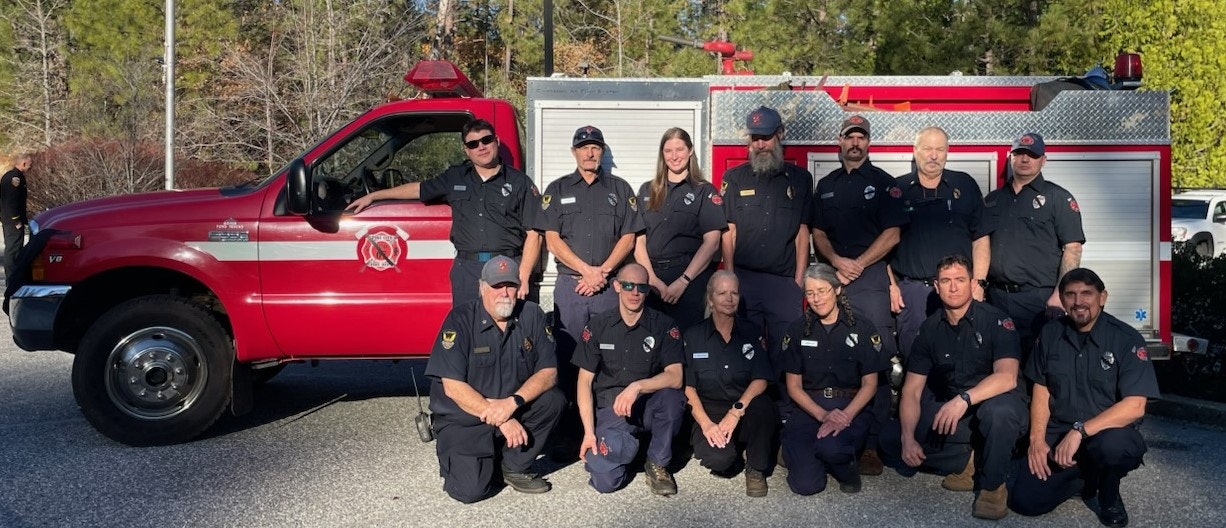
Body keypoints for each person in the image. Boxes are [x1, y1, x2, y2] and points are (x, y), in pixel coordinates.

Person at [879, 254, 1027, 521]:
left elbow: (1007, 377)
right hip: (959, 412)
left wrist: (962, 400)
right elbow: (912, 390)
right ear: (936, 286)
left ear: (972, 283)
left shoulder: (996, 320)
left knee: (998, 412)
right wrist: (908, 437)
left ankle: (992, 486)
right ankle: (972, 458)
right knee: (890, 441)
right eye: (946, 281)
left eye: (960, 280)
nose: (953, 287)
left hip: (997, 404)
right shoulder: (930, 329)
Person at [1010, 268, 1159, 527]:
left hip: (1105, 433)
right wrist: (1036, 440)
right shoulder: (1050, 334)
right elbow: (1041, 388)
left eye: (1087, 294)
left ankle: (1109, 491)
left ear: (1102, 297)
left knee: (1115, 447)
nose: (1078, 301)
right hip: (1060, 430)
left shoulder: (1125, 338)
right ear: (1063, 300)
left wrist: (1080, 431)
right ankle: (1087, 476)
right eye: (1071, 294)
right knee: (1026, 501)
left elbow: (1135, 406)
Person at [347, 119, 542, 306]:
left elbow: (535, 234)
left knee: (508, 328)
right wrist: (374, 196)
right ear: (466, 150)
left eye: (486, 140)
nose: (481, 147)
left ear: (496, 141)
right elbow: (419, 189)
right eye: (473, 144)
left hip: (505, 266)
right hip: (467, 269)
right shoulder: (455, 177)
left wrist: (523, 277)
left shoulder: (519, 182)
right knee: (467, 327)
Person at [423, 256, 566, 503]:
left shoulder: (532, 315)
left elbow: (549, 372)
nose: (505, 293)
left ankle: (512, 466)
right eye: (497, 286)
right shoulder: (460, 320)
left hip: (511, 406)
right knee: (471, 491)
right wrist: (500, 418)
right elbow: (453, 387)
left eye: (510, 285)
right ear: (482, 288)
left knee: (554, 400)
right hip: (467, 417)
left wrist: (512, 404)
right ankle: (477, 457)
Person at [810, 115, 907, 475]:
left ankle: (872, 446)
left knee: (875, 362)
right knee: (833, 356)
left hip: (868, 283)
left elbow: (894, 234)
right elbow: (818, 233)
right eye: (849, 137)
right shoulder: (826, 185)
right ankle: (834, 429)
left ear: (869, 143)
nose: (855, 143)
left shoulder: (885, 184)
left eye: (861, 137)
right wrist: (836, 260)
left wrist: (859, 264)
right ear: (840, 141)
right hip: (833, 279)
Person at [538, 125, 644, 399]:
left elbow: (628, 238)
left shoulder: (620, 190)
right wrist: (587, 272)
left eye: (595, 147)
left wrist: (603, 272)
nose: (590, 153)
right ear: (574, 152)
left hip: (609, 288)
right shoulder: (557, 189)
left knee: (611, 350)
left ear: (602, 151)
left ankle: (607, 413)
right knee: (568, 350)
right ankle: (569, 419)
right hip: (571, 287)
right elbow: (552, 240)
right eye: (584, 147)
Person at [573, 263, 685, 496]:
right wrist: (588, 432)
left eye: (641, 287)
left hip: (648, 405)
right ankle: (625, 452)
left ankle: (657, 463)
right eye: (628, 285)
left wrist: (638, 387)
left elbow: (676, 377)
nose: (635, 292)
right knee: (606, 482)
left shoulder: (663, 325)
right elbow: (584, 382)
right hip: (612, 409)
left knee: (673, 398)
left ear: (647, 290)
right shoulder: (598, 326)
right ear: (616, 286)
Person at [720, 105, 813, 378]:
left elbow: (802, 232)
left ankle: (785, 412)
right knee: (744, 351)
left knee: (786, 353)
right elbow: (729, 231)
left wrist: (798, 281)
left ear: (780, 134)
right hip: (745, 281)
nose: (760, 144)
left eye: (767, 137)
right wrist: (729, 276)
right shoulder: (734, 179)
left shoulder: (800, 180)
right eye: (755, 138)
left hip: (783, 284)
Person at [779, 263, 888, 495]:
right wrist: (823, 415)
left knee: (832, 448)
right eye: (810, 293)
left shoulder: (863, 328)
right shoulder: (797, 330)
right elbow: (793, 386)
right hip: (810, 408)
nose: (816, 299)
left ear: (837, 290)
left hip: (850, 406)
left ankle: (846, 468)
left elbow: (870, 384)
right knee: (806, 486)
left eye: (822, 290)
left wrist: (845, 415)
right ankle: (801, 454)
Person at [889, 127, 990, 359]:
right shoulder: (896, 190)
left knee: (964, 360)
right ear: (915, 152)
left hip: (960, 291)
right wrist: (891, 285)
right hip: (913, 294)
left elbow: (981, 237)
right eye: (927, 149)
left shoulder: (965, 185)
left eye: (940, 149)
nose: (933, 155)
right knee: (915, 361)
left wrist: (979, 283)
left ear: (947, 152)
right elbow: (883, 242)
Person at [983, 132, 1084, 355]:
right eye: (1019, 154)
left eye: (1032, 154)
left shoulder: (1058, 198)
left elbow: (1073, 248)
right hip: (995, 298)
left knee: (1037, 364)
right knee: (998, 361)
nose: (1025, 159)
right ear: (1011, 158)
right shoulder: (993, 200)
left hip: (1037, 301)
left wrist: (1059, 295)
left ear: (1043, 160)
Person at [682, 270, 778, 497]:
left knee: (764, 405)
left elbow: (761, 379)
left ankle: (756, 468)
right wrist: (706, 425)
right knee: (720, 461)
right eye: (722, 293)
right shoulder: (693, 336)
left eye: (734, 292)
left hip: (742, 407)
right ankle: (732, 454)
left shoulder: (752, 332)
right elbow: (688, 388)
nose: (729, 298)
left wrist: (736, 412)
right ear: (710, 299)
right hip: (708, 410)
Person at [634, 127, 726, 331]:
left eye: (680, 149)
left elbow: (712, 243)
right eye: (668, 151)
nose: (674, 156)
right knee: (652, 346)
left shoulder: (704, 191)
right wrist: (652, 280)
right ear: (662, 154)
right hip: (651, 281)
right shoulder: (646, 190)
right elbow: (639, 241)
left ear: (690, 151)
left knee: (687, 344)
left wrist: (683, 282)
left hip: (689, 281)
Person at [1, 153, 31, 280]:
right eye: (30, 164)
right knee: (13, 249)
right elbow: (11, 201)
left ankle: (15, 277)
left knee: (16, 248)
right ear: (23, 164)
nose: (31, 167)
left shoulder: (13, 176)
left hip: (10, 219)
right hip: (12, 220)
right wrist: (16, 219)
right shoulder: (15, 178)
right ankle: (12, 278)